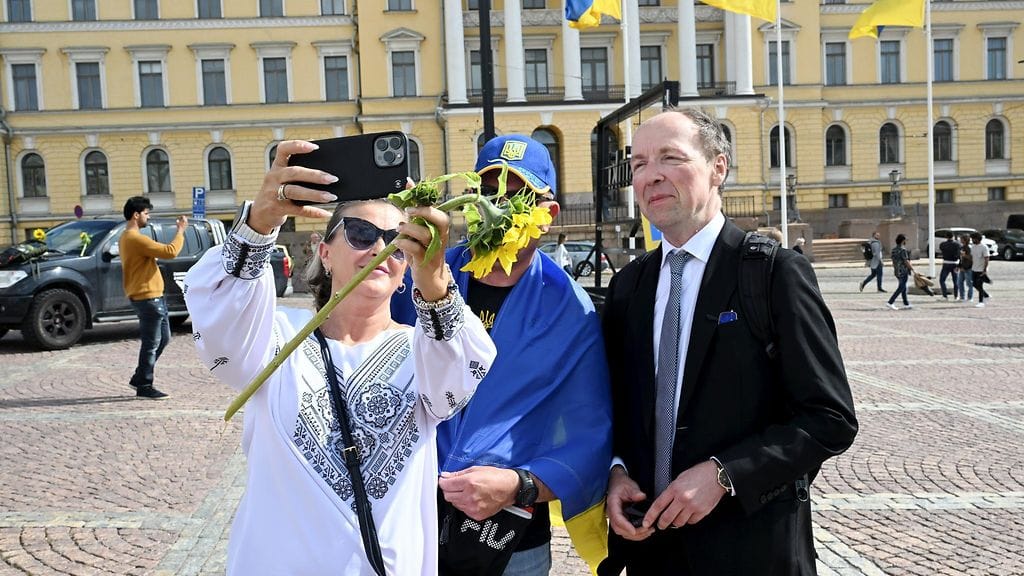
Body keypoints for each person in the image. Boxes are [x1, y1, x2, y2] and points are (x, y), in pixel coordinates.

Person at [183, 139, 497, 575]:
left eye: (397, 241)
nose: (378, 249)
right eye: (361, 233)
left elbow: (455, 383)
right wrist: (259, 222)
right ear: (324, 252)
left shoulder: (422, 352)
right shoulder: (275, 340)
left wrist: (435, 278)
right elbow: (220, 323)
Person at [599, 108, 858, 575]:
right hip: (652, 552)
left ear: (719, 167)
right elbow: (617, 406)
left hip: (751, 551)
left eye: (670, 158)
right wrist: (617, 473)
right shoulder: (629, 286)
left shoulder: (774, 274)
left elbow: (830, 417)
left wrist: (726, 473)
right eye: (638, 164)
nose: (651, 176)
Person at [392, 134, 612, 575]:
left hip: (508, 540)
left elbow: (591, 435)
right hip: (406, 519)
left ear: (548, 214)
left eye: (519, 196)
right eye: (488, 192)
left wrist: (519, 485)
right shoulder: (419, 274)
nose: (500, 206)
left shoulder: (570, 311)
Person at [120, 196, 187, 399]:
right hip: (147, 298)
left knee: (163, 339)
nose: (148, 217)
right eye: (146, 213)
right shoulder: (134, 238)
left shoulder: (127, 237)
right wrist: (181, 231)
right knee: (151, 344)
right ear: (136, 214)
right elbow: (170, 251)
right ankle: (144, 385)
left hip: (154, 297)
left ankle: (139, 377)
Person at [887, 233, 914, 310]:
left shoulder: (894, 250)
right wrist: (912, 269)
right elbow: (906, 261)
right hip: (903, 270)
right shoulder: (903, 250)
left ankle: (906, 303)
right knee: (901, 287)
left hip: (897, 270)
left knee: (903, 287)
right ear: (903, 241)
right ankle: (890, 302)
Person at [969, 232, 990, 308]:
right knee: (974, 284)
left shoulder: (984, 247)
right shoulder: (973, 247)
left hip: (981, 269)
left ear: (977, 239)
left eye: (973, 239)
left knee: (979, 285)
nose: (972, 240)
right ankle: (986, 295)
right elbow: (972, 257)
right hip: (974, 268)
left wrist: (984, 269)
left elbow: (987, 258)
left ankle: (981, 301)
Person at [938, 231, 960, 300]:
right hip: (955, 263)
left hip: (946, 263)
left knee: (942, 280)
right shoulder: (957, 244)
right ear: (953, 236)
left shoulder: (943, 244)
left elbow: (941, 250)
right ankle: (956, 296)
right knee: (955, 281)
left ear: (946, 237)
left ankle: (945, 296)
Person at [957, 235, 974, 302]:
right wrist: (958, 266)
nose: (960, 240)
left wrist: (965, 255)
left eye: (961, 239)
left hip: (968, 268)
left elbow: (971, 258)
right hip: (962, 268)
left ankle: (970, 297)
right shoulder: (962, 247)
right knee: (960, 282)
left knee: (969, 283)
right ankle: (962, 296)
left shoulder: (969, 248)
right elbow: (961, 259)